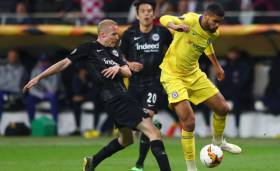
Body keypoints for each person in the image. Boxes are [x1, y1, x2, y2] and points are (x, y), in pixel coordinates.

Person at [23, 19, 171, 171]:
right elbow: (64, 63)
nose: (117, 37)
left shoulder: (115, 51)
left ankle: (93, 161)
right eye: (114, 34)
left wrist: (118, 69)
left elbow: (128, 72)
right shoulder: (89, 48)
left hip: (117, 100)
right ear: (102, 35)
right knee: (153, 132)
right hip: (118, 99)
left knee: (126, 139)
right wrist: (39, 77)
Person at [159, 3, 241, 171]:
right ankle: (191, 168)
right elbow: (163, 18)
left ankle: (218, 142)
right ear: (206, 15)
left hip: (194, 74)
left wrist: (216, 65)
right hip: (173, 75)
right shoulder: (189, 19)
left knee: (223, 108)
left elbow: (206, 42)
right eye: (215, 21)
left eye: (220, 22)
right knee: (189, 122)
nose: (217, 25)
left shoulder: (214, 32)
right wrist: (175, 26)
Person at [120, 1, 172, 171]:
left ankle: (139, 164)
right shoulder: (129, 34)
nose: (147, 14)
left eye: (149, 10)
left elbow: (173, 50)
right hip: (134, 84)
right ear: (137, 15)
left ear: (154, 14)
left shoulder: (162, 33)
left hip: (154, 82)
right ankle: (140, 161)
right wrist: (129, 63)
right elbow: (119, 55)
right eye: (143, 11)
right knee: (133, 128)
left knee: (147, 117)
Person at [25, 54, 60, 123]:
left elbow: (53, 90)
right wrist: (42, 95)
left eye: (45, 61)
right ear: (38, 62)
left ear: (48, 62)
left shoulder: (55, 71)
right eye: (41, 61)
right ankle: (32, 123)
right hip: (39, 95)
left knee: (54, 98)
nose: (43, 63)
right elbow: (31, 89)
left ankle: (55, 124)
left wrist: (42, 76)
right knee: (29, 99)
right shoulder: (35, 71)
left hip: (50, 94)